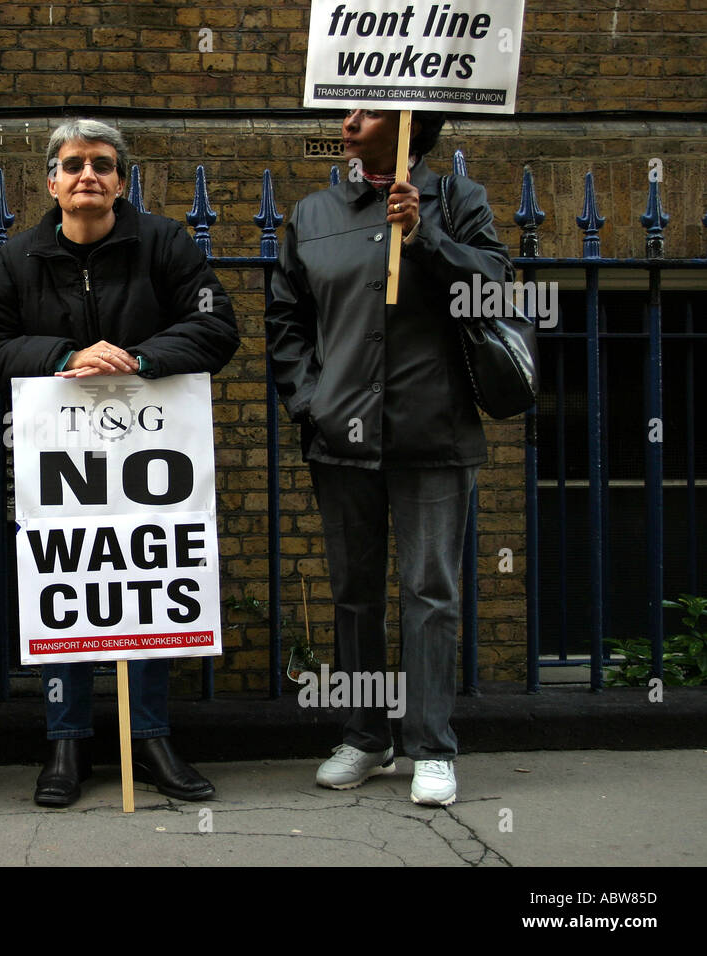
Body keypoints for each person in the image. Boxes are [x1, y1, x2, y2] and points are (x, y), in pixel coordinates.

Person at [0, 119, 240, 806]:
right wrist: (65, 357)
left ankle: (148, 737)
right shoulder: (14, 261)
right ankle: (67, 742)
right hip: (60, 461)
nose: (88, 174)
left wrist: (138, 359)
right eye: (73, 163)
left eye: (103, 164)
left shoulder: (165, 244)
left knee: (145, 580)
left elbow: (215, 326)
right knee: (71, 587)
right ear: (52, 180)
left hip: (150, 453)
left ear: (122, 180)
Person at [266, 109, 512, 806]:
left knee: (430, 592)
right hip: (340, 435)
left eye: (367, 111)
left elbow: (491, 291)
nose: (348, 121)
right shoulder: (314, 214)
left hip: (433, 431)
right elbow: (287, 316)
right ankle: (366, 737)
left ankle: (431, 745)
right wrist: (309, 400)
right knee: (354, 594)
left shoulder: (457, 201)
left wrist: (425, 237)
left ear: (410, 126)